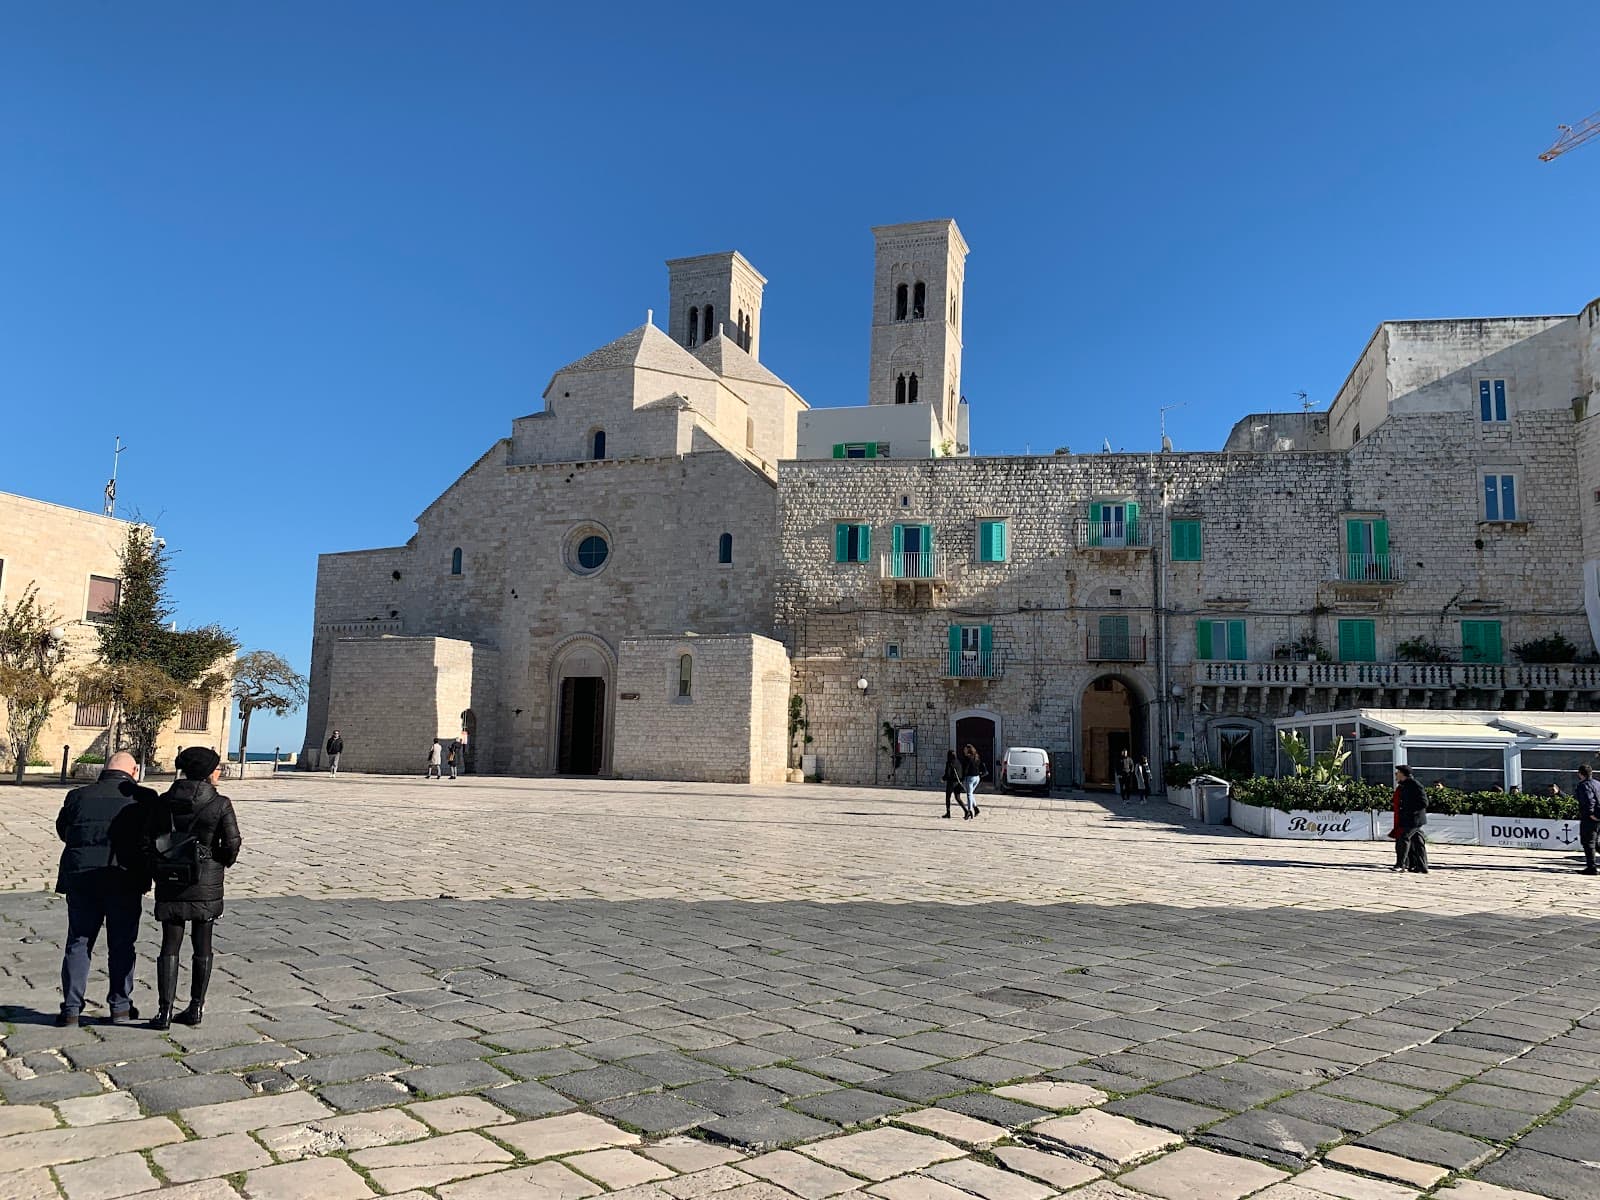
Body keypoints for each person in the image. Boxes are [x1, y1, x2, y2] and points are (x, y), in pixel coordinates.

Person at [54, 752, 157, 1027]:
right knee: (122, 944)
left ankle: (71, 1009)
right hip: (124, 879)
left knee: (78, 942)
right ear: (134, 771)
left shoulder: (78, 796)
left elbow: (64, 830)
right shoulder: (145, 798)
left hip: (81, 878)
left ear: (105, 769)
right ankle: (120, 1007)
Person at [146, 747, 242, 1029]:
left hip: (171, 879)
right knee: (203, 946)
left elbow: (149, 838)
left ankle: (164, 1012)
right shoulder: (220, 804)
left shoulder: (163, 801)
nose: (220, 772)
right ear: (208, 772)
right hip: (206, 881)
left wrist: (159, 866)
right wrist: (220, 861)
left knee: (169, 945)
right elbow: (233, 843)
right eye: (217, 767)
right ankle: (195, 1008)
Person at [1393, 765, 1428, 874]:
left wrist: (1409, 810)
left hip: (1413, 819)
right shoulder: (1403, 786)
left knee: (1403, 838)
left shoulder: (1415, 785)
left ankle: (1401, 864)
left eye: (1397, 772)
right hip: (1407, 818)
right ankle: (1421, 866)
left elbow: (1424, 802)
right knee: (1418, 842)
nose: (1395, 774)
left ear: (1403, 774)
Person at [1576, 764, 1600, 876]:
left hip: (1590, 818)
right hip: (1599, 816)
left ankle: (1591, 868)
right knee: (1596, 843)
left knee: (1588, 842)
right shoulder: (1597, 784)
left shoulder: (1584, 785)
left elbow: (1589, 800)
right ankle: (1591, 866)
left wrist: (1591, 814)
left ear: (1580, 774)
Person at [959, 744, 984, 819]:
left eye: (965, 749)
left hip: (970, 778)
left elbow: (965, 769)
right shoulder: (976, 757)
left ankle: (969, 811)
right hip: (977, 777)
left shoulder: (968, 758)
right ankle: (976, 808)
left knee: (969, 794)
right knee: (971, 793)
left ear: (968, 750)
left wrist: (962, 778)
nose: (964, 750)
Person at [941, 750, 966, 818]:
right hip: (957, 782)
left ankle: (948, 813)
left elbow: (948, 774)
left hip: (951, 783)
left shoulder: (949, 763)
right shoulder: (958, 762)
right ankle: (966, 811)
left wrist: (943, 779)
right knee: (958, 798)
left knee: (948, 798)